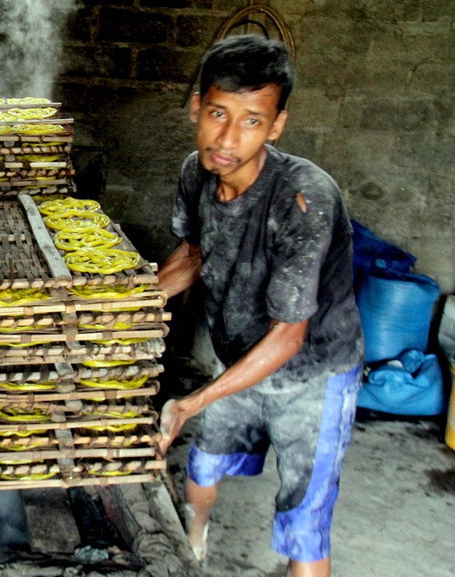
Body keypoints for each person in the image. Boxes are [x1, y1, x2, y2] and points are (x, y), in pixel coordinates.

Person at [156, 35, 363, 577]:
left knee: (304, 517)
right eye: (218, 113)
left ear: (276, 127)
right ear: (196, 108)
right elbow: (194, 254)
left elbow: (289, 335)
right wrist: (122, 308)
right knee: (203, 465)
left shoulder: (303, 198)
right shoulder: (196, 173)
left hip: (314, 373)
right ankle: (194, 550)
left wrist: (192, 400)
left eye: (251, 120)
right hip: (241, 354)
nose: (227, 137)